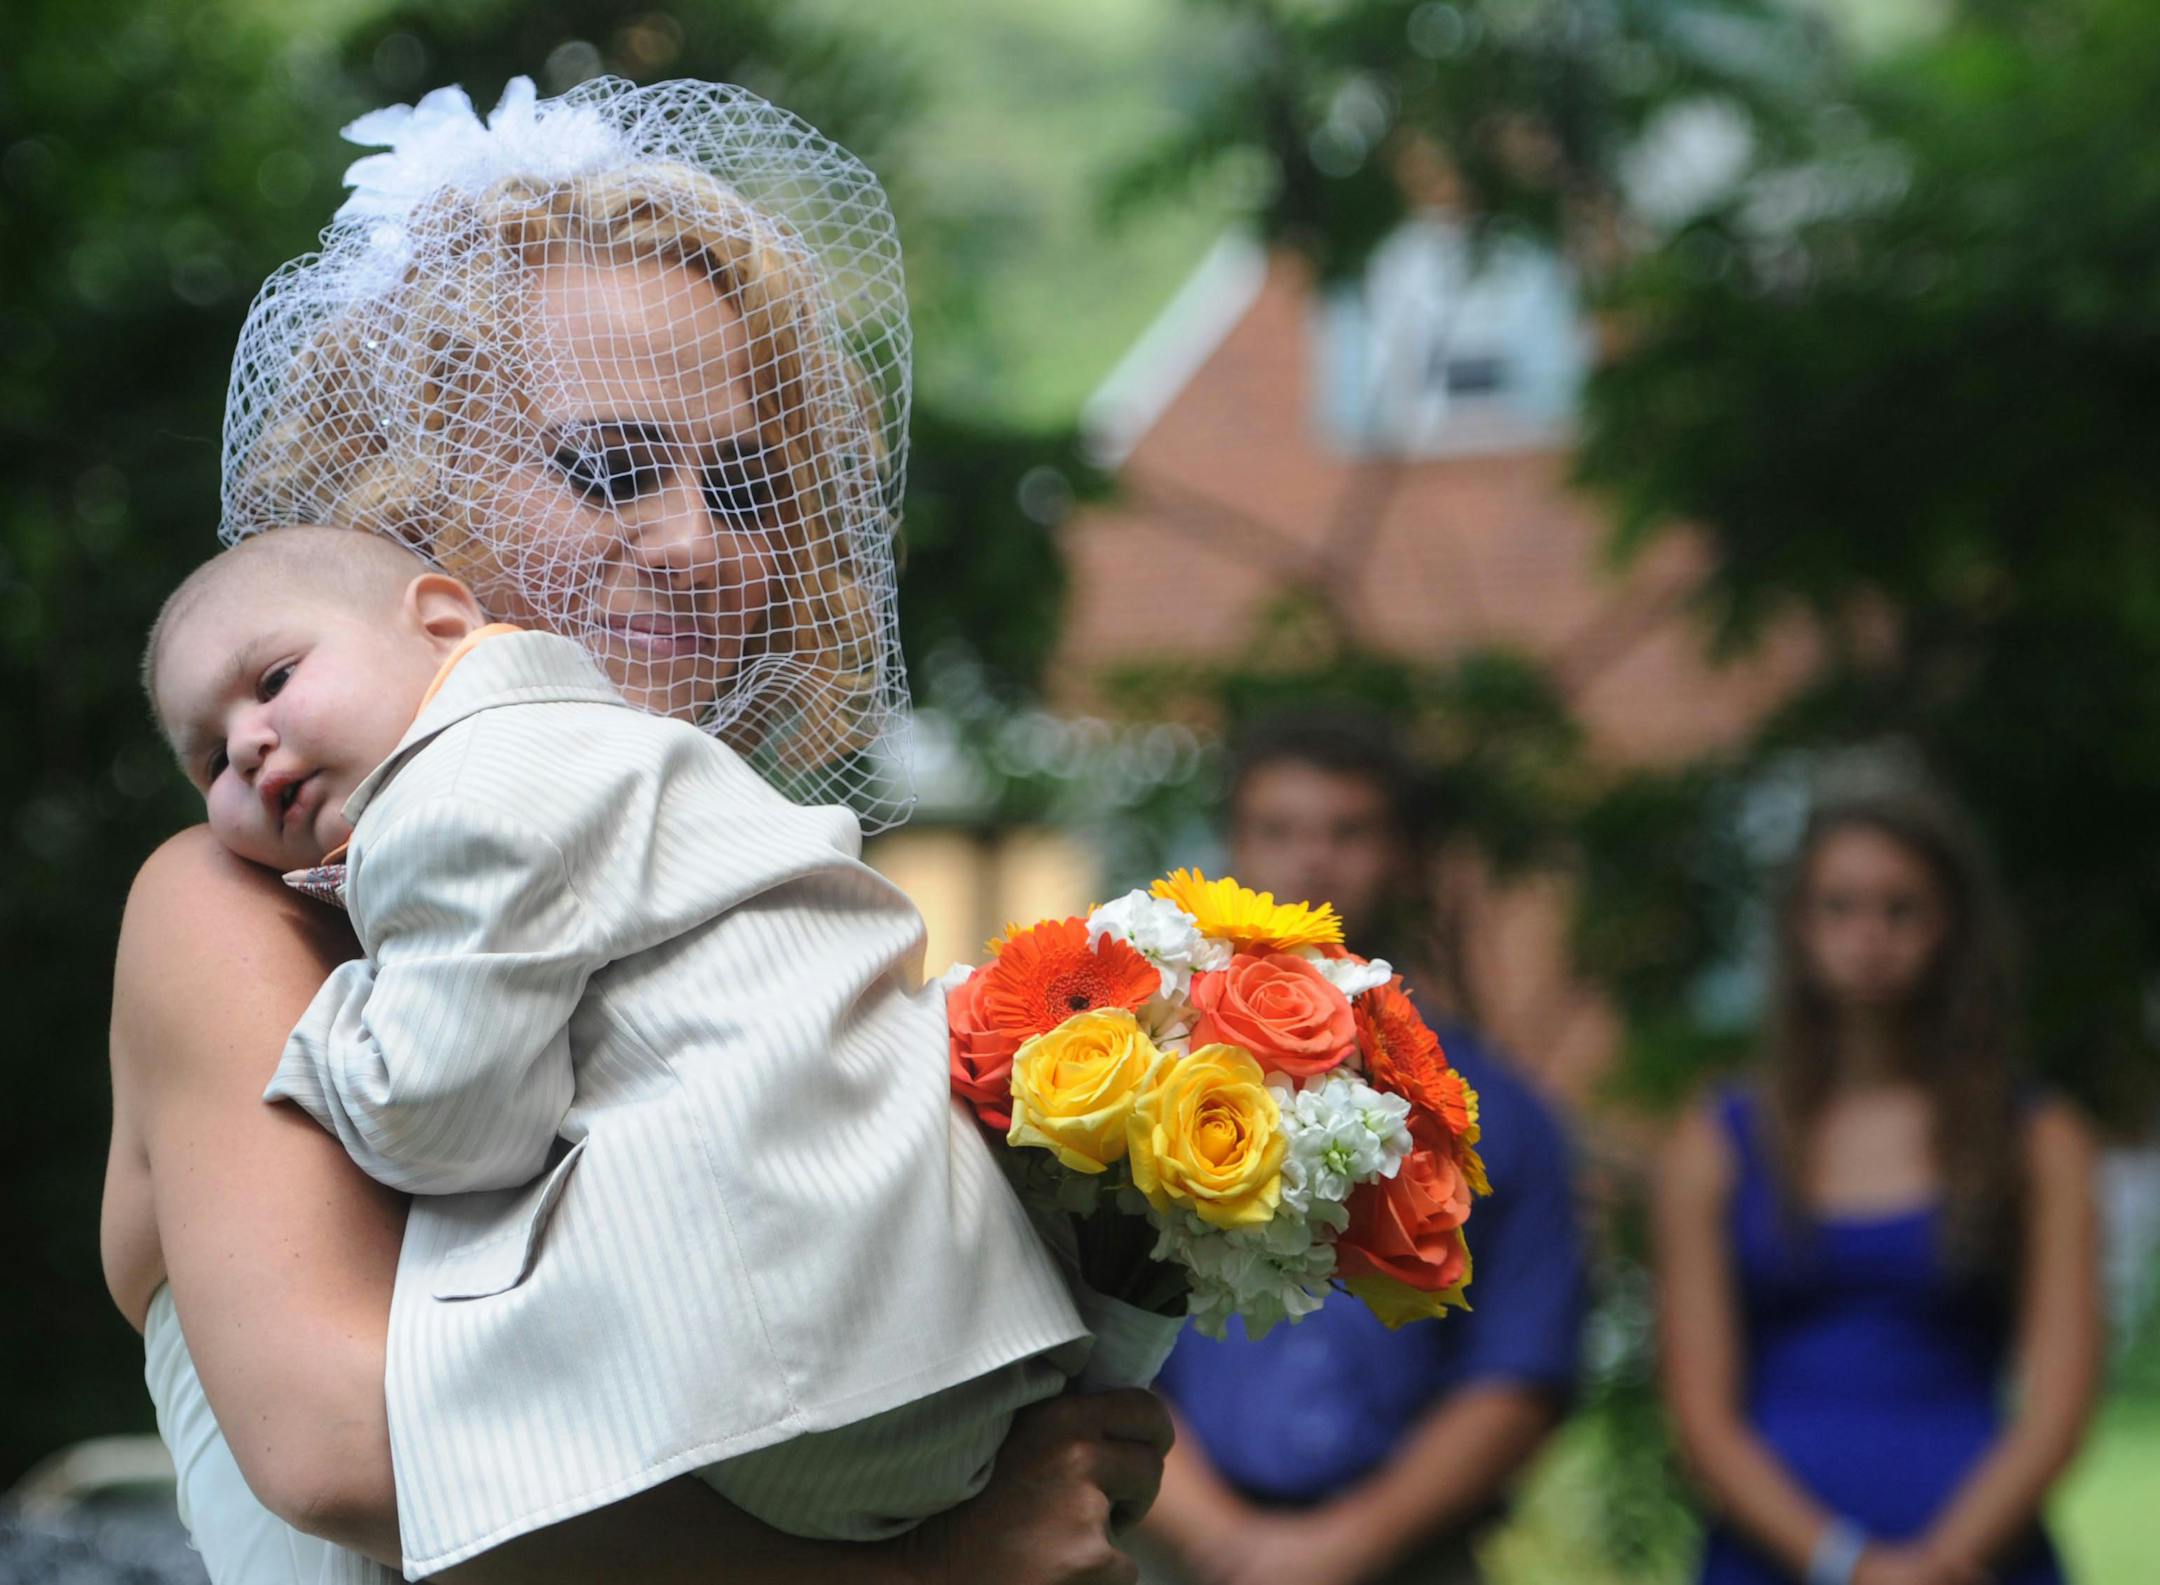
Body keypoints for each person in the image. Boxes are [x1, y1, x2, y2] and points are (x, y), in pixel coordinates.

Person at [103, 75, 1169, 1585]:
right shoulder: (231, 911)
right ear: (414, 516)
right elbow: (339, 1445)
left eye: (740, 484)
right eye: (608, 468)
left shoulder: (739, 898)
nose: (691, 539)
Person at [143, 525, 1088, 1563]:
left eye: (274, 680)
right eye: (206, 756)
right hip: (938, 1330)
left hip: (778, 1367)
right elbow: (329, 1453)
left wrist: (332, 1027)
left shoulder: (453, 801)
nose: (246, 746)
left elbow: (451, 1127)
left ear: (445, 621)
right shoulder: (618, 756)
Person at [1133, 712, 1587, 1585]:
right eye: (1278, 829)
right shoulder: (1142, 1076)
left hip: (1412, 1556)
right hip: (1169, 1543)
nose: (1312, 859)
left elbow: (1522, 1364)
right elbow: (1089, 1340)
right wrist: (1223, 1544)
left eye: (1349, 831)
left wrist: (1348, 1545)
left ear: (1407, 858)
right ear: (1229, 848)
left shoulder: (1494, 1111)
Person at [1655, 762, 2101, 1585]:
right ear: (1797, 925)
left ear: (1953, 928)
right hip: (1770, 1556)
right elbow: (1701, 1418)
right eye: (1839, 906)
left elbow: (2059, 1406)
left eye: (1903, 908)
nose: (1870, 936)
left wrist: (1944, 1560)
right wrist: (1847, 1564)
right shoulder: (1715, 1140)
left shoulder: (2037, 1138)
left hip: (1981, 1557)